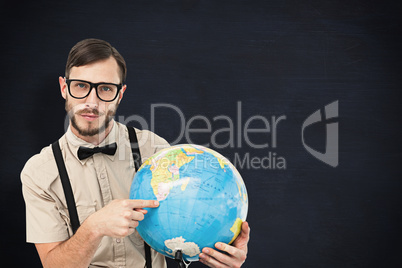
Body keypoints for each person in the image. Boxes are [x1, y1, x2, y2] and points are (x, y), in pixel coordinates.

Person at [21, 38, 250, 268]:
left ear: (120, 94)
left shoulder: (156, 150)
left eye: (105, 89)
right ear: (64, 88)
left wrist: (222, 250)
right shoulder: (39, 173)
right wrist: (94, 227)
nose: (92, 102)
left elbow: (187, 224)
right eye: (81, 85)